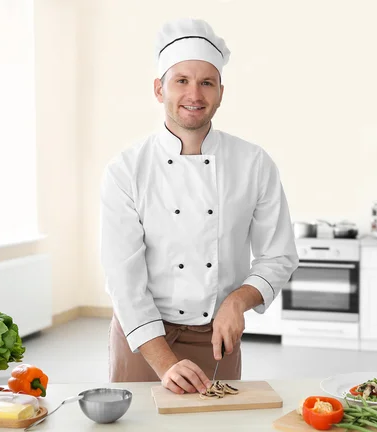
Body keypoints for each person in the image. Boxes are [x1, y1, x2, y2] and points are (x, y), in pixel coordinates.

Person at [100, 18, 298, 395]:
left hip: (216, 339)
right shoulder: (126, 169)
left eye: (207, 82)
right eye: (182, 81)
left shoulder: (253, 163)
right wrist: (163, 362)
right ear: (159, 90)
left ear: (221, 92)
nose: (195, 93)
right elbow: (123, 280)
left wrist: (239, 300)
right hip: (143, 339)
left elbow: (279, 256)